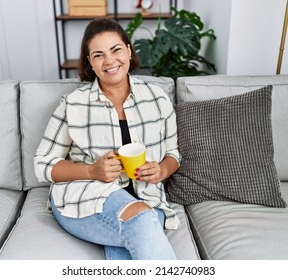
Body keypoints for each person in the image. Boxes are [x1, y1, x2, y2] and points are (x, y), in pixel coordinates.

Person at [34, 18, 181, 260]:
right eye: (99, 55)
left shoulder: (157, 98)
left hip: (148, 197)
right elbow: (42, 164)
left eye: (116, 50)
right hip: (86, 195)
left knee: (137, 229)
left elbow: (173, 153)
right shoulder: (73, 104)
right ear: (90, 63)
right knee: (143, 220)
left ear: (129, 51)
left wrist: (162, 170)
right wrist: (92, 171)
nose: (110, 61)